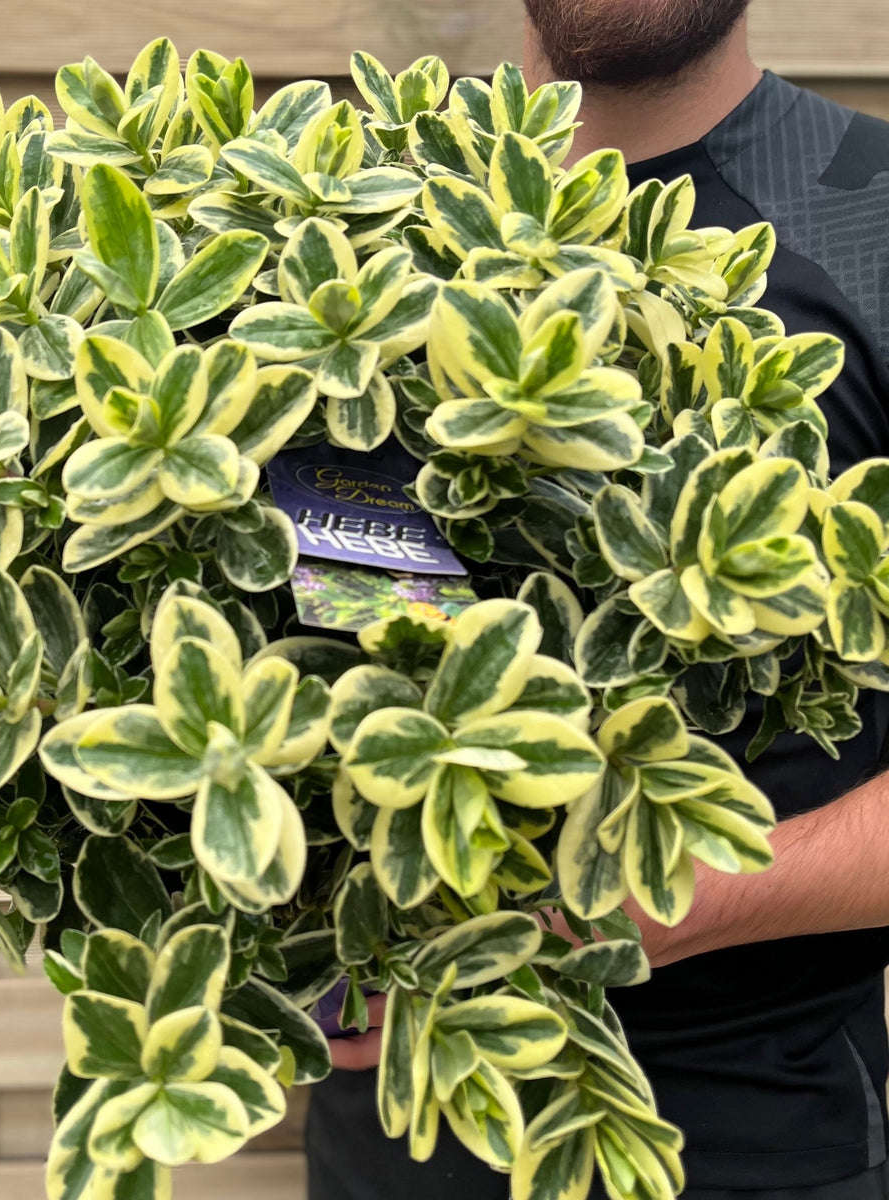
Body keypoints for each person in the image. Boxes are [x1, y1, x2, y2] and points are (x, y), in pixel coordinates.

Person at [306, 2, 889, 1197]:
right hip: (393, 1133)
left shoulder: (870, 215)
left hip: (753, 1143)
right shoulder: (343, 214)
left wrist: (653, 903)